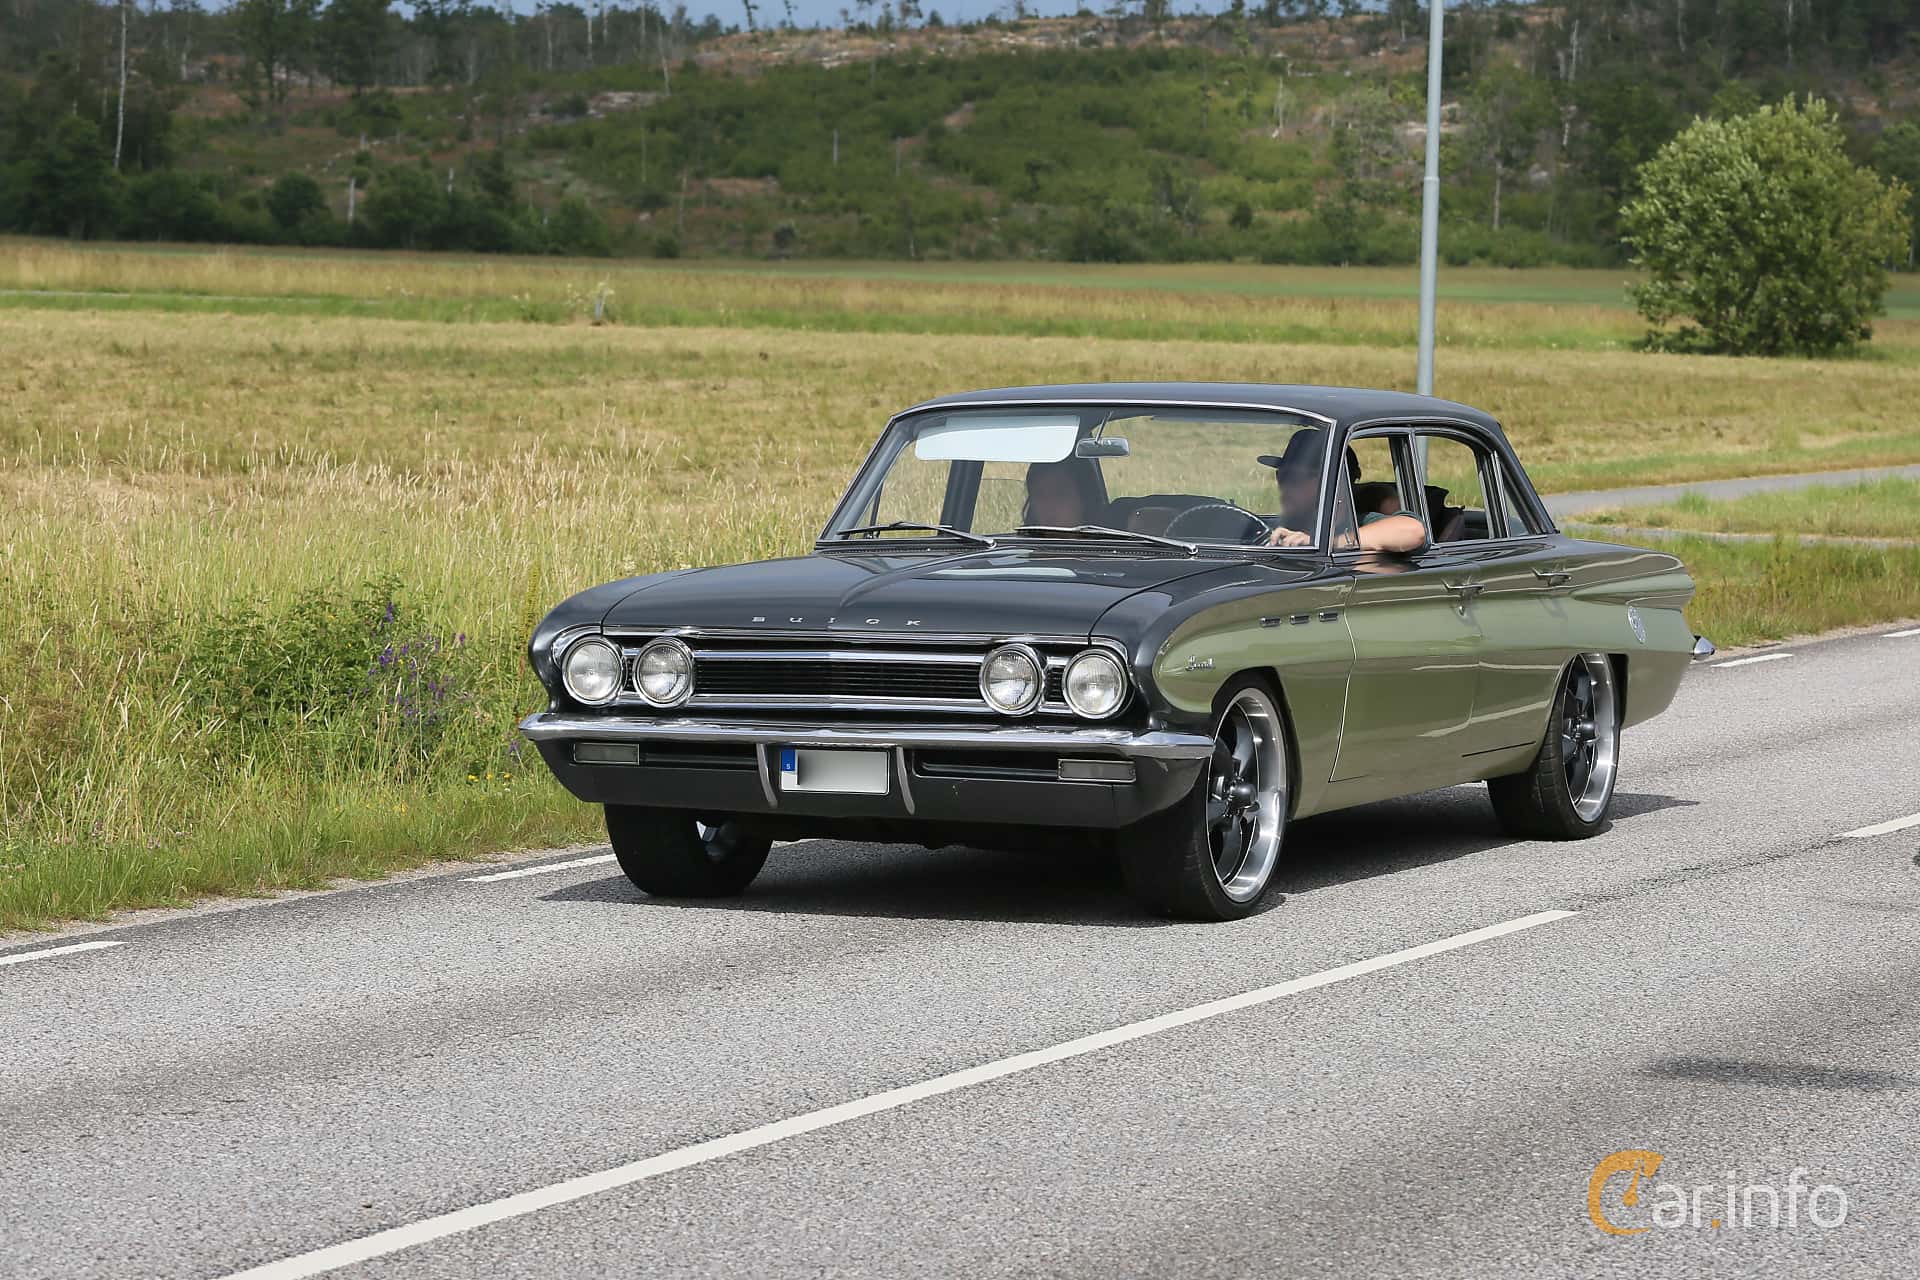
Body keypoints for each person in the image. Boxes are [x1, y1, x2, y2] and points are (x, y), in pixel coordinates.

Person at [1258, 431, 1427, 553]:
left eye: (1296, 478)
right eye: (1281, 475)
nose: (1285, 484)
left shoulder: (1360, 523)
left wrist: (1329, 542)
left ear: (1333, 483)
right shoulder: (1289, 523)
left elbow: (1413, 531)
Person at [1023, 458, 1103, 528]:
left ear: (1084, 498)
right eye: (1040, 495)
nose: (1048, 504)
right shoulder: (1017, 543)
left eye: (1059, 494)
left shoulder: (1107, 543)